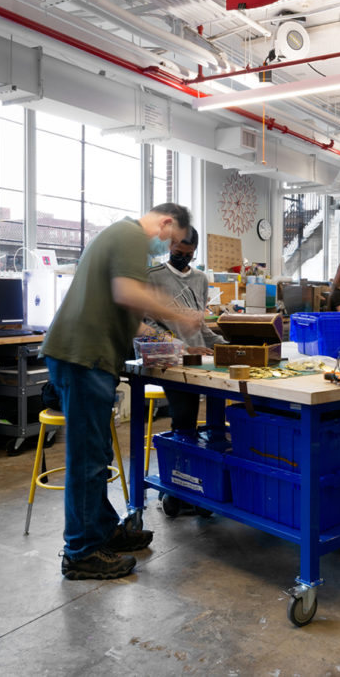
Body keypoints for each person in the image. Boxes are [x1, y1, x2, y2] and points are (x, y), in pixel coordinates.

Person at [42, 204, 204, 580]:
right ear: (165, 223)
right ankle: (81, 552)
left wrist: (173, 341)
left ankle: (101, 531)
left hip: (87, 358)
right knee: (87, 459)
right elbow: (128, 293)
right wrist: (180, 314)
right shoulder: (132, 235)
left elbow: (132, 322)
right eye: (172, 240)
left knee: (96, 452)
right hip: (83, 358)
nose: (169, 249)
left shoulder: (121, 239)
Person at [145, 226, 226, 432]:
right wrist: (182, 347)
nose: (183, 258)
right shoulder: (152, 277)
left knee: (219, 406)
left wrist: (226, 346)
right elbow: (148, 326)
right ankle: (180, 460)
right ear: (169, 246)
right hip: (168, 360)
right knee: (184, 416)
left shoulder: (200, 279)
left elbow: (200, 327)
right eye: (178, 253)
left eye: (189, 255)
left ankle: (206, 455)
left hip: (199, 361)